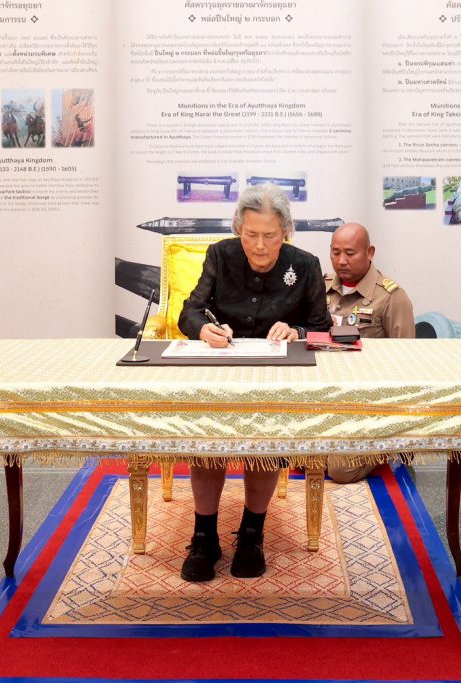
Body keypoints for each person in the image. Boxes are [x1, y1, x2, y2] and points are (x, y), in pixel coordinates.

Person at [177, 183, 332, 582]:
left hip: (276, 378)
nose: (260, 246)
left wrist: (296, 331)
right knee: (206, 438)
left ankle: (252, 533)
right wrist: (203, 330)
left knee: (266, 440)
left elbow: (322, 329)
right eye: (251, 235)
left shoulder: (306, 265)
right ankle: (204, 536)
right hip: (221, 370)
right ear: (238, 229)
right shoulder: (220, 255)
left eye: (270, 236)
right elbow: (190, 311)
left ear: (286, 232)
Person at [324, 222, 415, 483]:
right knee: (284, 450)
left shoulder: (391, 297)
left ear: (370, 252)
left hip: (368, 403)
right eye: (335, 252)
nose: (341, 261)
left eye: (350, 253)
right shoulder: (320, 287)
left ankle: (391, 442)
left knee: (340, 469)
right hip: (326, 397)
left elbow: (407, 365)